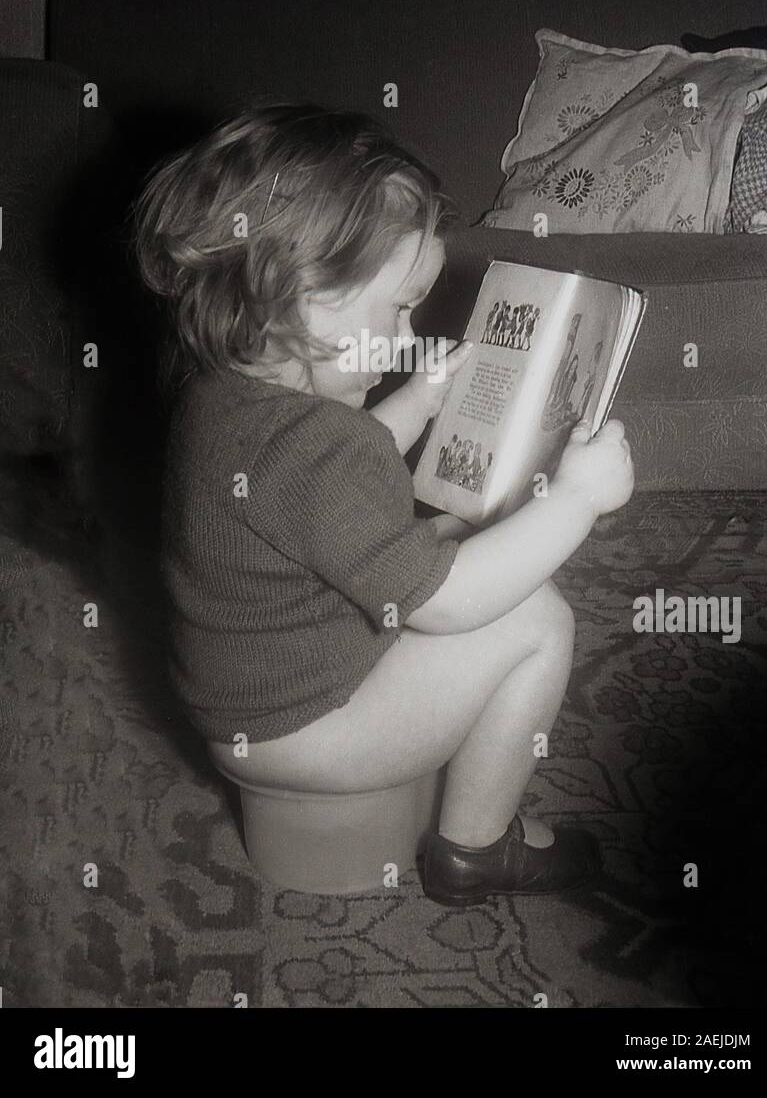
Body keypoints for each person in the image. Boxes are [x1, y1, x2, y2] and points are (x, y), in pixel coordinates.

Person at [133, 103, 634, 906]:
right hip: (303, 730)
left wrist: (420, 400)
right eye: (399, 306)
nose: (408, 334)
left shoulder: (225, 399)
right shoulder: (307, 445)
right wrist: (574, 500)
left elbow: (325, 483)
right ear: (304, 298)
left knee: (462, 528)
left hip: (250, 695)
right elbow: (444, 604)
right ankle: (478, 847)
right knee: (535, 617)